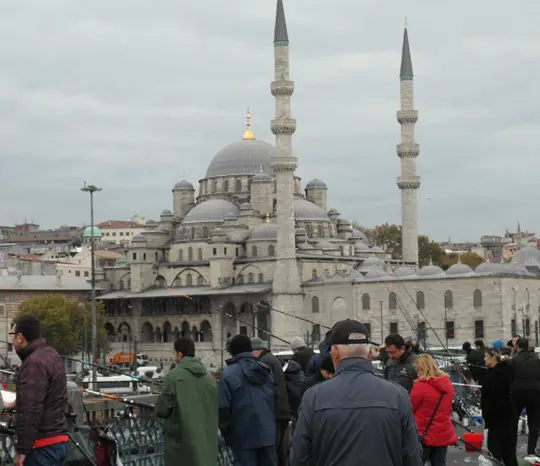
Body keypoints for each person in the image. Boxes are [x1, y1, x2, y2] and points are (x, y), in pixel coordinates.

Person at [290, 320, 422, 466]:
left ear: (335, 353)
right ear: (370, 354)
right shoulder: (398, 396)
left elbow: (298, 458)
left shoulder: (313, 397)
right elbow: (412, 457)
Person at [6, 315, 68, 466]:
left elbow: (31, 411)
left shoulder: (33, 363)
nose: (12, 340)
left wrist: (22, 451)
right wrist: (15, 403)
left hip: (41, 447)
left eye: (12, 335)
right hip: (59, 441)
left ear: (20, 337)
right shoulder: (52, 355)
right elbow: (48, 396)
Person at [155, 338, 218, 466]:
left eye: (174, 352)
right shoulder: (209, 379)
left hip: (181, 445)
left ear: (180, 354)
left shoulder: (173, 376)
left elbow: (162, 410)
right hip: (206, 445)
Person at [219, 335, 278, 466]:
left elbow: (223, 409)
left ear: (232, 352)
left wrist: (228, 436)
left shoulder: (228, 374)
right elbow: (275, 400)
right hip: (267, 435)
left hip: (242, 437)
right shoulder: (266, 371)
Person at [410, 354, 457, 466]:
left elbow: (410, 408)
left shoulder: (420, 386)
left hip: (424, 433)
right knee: (439, 463)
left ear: (421, 369)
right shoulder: (447, 384)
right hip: (442, 432)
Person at [251, 337, 290, 466]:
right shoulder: (271, 358)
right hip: (282, 410)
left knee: (273, 450)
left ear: (256, 350)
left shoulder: (264, 362)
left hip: (275, 412)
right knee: (280, 449)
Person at [481, 348, 518, 466]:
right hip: (509, 416)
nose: (484, 359)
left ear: (493, 357)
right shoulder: (506, 371)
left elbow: (491, 398)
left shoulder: (494, 376)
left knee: (495, 454)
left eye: (486, 356)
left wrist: (487, 415)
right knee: (509, 453)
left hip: (497, 419)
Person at [508, 338, 540, 461]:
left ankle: (512, 449)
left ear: (517, 347)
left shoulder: (513, 361)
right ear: (528, 346)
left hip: (517, 393)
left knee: (513, 422)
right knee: (534, 423)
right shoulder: (536, 360)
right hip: (535, 392)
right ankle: (531, 451)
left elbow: (509, 378)